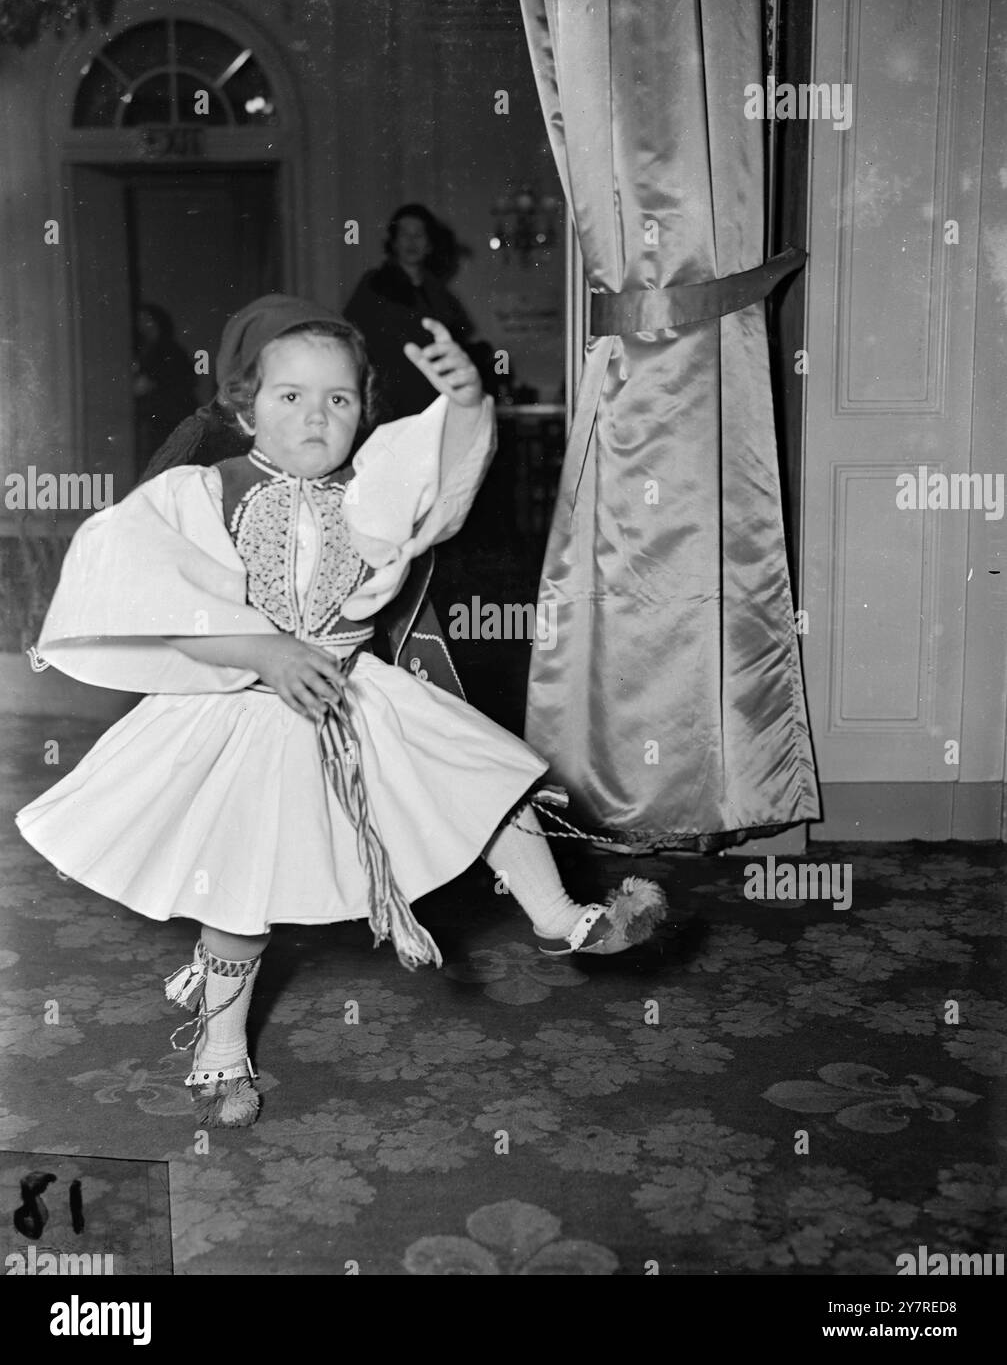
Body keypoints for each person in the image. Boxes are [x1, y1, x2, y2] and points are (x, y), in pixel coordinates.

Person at [16, 294, 665, 1131]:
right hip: (241, 708)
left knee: (485, 776)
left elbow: (444, 476)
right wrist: (261, 650)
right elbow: (161, 599)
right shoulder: (201, 492)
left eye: (340, 399)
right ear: (245, 403)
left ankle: (565, 921)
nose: (316, 415)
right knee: (239, 890)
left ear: (365, 413)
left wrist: (467, 403)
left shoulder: (375, 489)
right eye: (290, 396)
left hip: (353, 689)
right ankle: (219, 1051)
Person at [345, 203, 496, 418]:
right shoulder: (374, 284)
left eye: (419, 234)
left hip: (433, 402)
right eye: (404, 234)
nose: (411, 241)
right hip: (386, 405)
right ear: (394, 242)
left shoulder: (440, 295)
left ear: (430, 244)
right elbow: (351, 342)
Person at [132, 303, 198, 469]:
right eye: (139, 320)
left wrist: (155, 383)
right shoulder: (143, 348)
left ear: (157, 321)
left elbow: (187, 379)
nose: (142, 324)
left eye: (146, 320)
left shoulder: (169, 350)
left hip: (170, 416)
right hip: (155, 418)